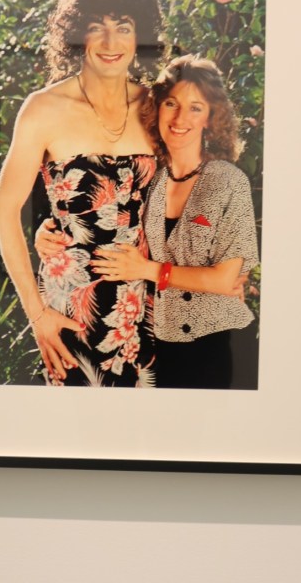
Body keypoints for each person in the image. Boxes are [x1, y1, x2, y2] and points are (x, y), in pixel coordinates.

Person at [0, 0, 164, 386]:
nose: (110, 42)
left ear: (139, 34)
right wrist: (37, 314)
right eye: (95, 27)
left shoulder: (156, 107)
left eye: (123, 27)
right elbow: (5, 210)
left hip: (147, 304)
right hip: (71, 309)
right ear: (76, 33)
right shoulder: (43, 109)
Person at [87, 54, 260, 388]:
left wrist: (148, 270)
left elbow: (225, 280)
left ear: (211, 118)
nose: (181, 118)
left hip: (221, 345)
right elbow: (97, 217)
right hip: (161, 346)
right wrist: (46, 233)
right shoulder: (151, 180)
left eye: (196, 108)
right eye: (171, 103)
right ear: (157, 109)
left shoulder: (228, 181)